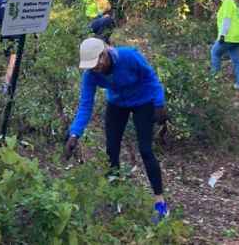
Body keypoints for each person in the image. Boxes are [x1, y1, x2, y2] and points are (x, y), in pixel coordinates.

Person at [64, 38, 170, 223]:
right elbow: (85, 105)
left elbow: (150, 76)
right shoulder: (91, 75)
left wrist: (159, 103)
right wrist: (75, 134)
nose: (96, 68)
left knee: (145, 150)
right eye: (91, 66)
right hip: (117, 104)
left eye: (97, 63)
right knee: (111, 150)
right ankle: (116, 198)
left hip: (143, 101)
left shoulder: (128, 57)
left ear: (104, 54)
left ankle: (160, 203)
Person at [211, 0, 239, 90]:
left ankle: (214, 82)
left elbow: (227, 20)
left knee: (215, 53)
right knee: (236, 60)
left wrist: (222, 35)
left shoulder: (227, 3)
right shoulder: (235, 3)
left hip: (228, 36)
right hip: (238, 37)